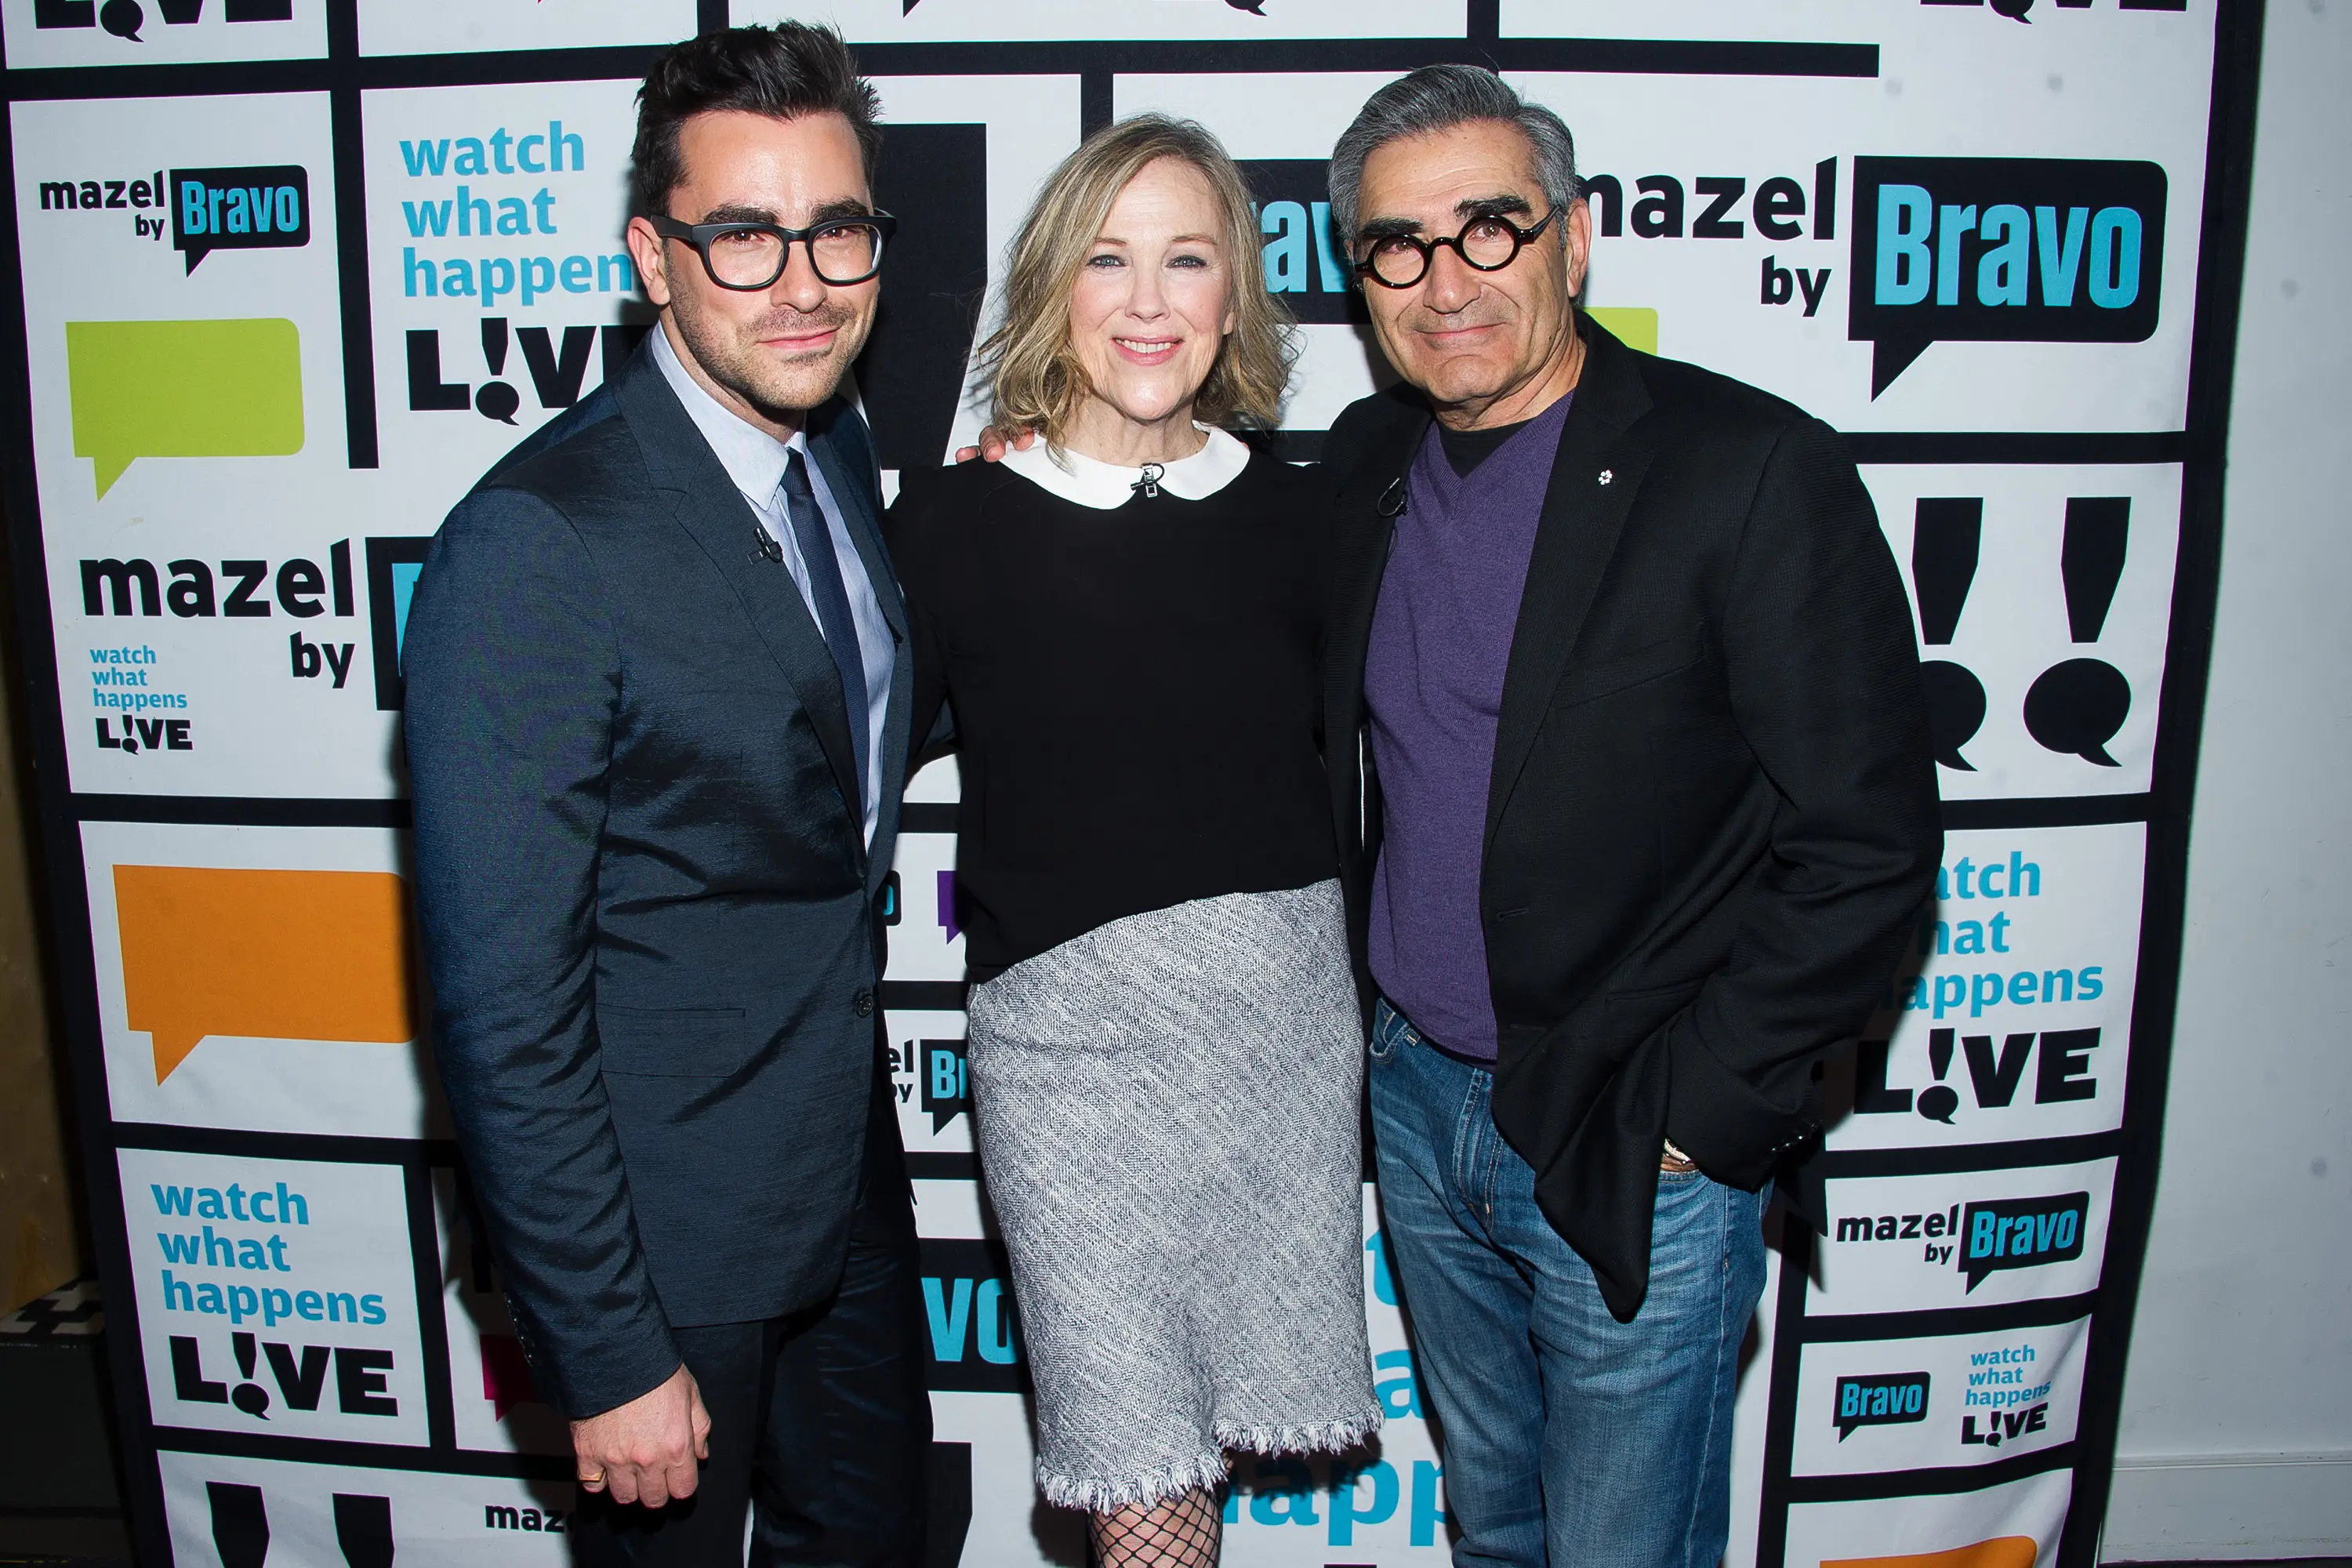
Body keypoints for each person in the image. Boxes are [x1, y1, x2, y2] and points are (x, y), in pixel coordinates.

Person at [1317, 67, 1940, 1566]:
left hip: (1628, 1119)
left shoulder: (1748, 470)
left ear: (1574, 240)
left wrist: (1708, 1121)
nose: (1447, 279)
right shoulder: (1357, 465)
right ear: (1362, 278)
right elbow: (1177, 536)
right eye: (1399, 245)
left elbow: (1866, 844)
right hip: (1413, 1099)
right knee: (1497, 1529)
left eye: (1491, 227)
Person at [403, 25, 928, 1567]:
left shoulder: (832, 450)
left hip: (842, 1180)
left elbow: (821, 746)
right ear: (655, 252)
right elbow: (505, 1003)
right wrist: (606, 1341)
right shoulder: (536, 546)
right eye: (743, 234)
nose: (804, 280)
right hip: (659, 1245)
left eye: (838, 229)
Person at [887, 115, 1378, 1568]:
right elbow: (837, 765)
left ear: (1236, 294)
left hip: (1277, 1032)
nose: (1150, 302)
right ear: (1055, 285)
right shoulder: (953, 522)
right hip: (1070, 1057)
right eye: (1109, 259)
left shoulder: (1312, 518)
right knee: (1137, 1477)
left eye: (1188, 258)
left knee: (1202, 1473)